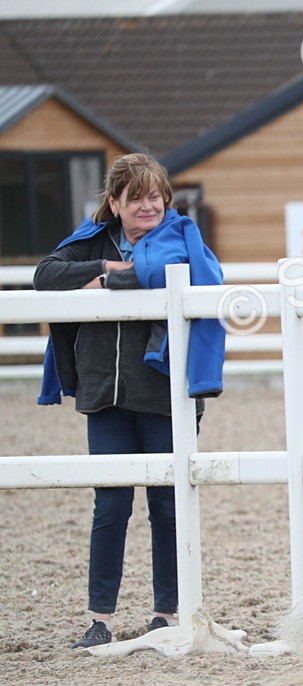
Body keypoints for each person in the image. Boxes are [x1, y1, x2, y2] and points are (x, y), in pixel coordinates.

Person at [34, 153, 224, 649]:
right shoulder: (90, 242)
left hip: (164, 395)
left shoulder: (181, 238)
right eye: (135, 196)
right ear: (114, 203)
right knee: (111, 505)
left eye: (155, 195)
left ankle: (166, 613)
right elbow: (46, 275)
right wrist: (103, 266)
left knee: (167, 505)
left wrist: (107, 282)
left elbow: (176, 273)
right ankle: (100, 618)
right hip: (105, 395)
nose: (148, 205)